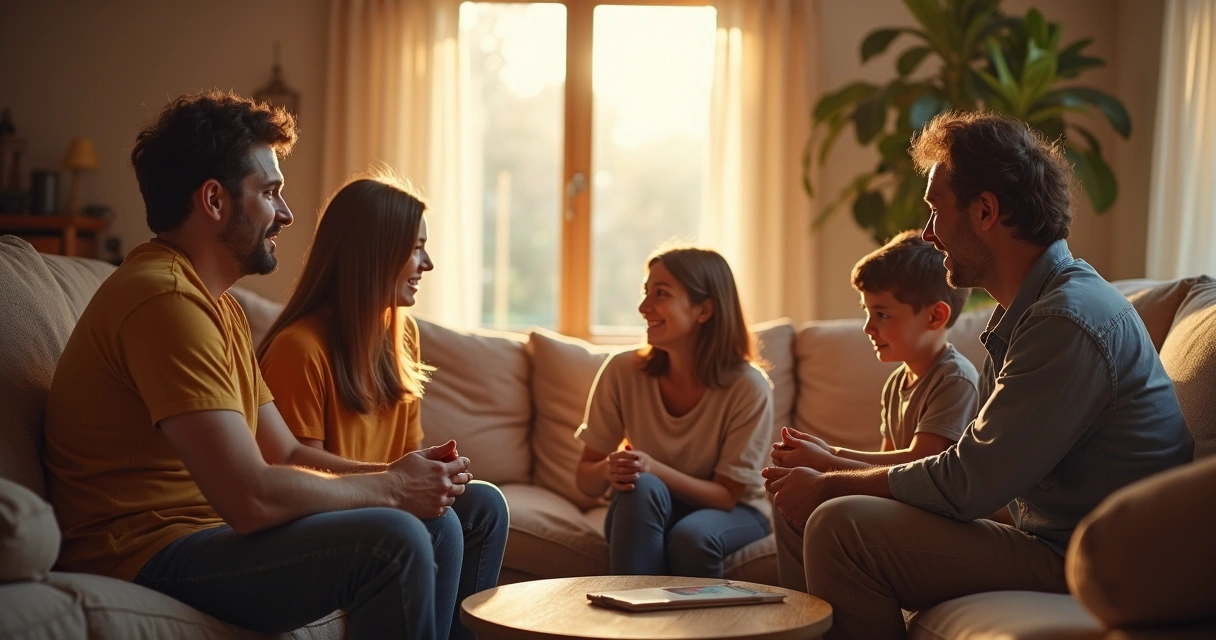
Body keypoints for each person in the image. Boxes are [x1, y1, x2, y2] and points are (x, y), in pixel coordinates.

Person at [42, 91, 474, 638]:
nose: (287, 214)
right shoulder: (164, 301)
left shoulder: (216, 305)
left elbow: (287, 453)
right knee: (399, 538)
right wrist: (391, 491)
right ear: (215, 201)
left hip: (204, 536)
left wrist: (403, 476)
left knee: (469, 508)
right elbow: (249, 497)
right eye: (270, 193)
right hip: (144, 552)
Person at [763, 111, 1193, 639]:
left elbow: (969, 481)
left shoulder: (1065, 320)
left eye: (936, 211)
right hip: (1056, 538)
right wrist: (832, 471)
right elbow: (982, 475)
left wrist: (830, 480)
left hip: (1092, 557)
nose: (928, 233)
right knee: (825, 511)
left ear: (986, 210)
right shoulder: (1032, 312)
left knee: (839, 525)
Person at [257, 174, 508, 640]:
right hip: (321, 515)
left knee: (486, 505)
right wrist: (396, 481)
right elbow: (294, 476)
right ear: (372, 255)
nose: (427, 264)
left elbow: (405, 455)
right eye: (415, 248)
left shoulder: (401, 337)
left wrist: (430, 473)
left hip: (376, 498)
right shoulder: (300, 348)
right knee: (442, 525)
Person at [770, 229, 979, 591]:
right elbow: (879, 472)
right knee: (789, 496)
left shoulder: (956, 378)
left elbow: (918, 463)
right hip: (905, 503)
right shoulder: (897, 383)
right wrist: (817, 461)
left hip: (941, 517)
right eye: (867, 312)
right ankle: (802, 614)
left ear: (935, 317)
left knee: (817, 496)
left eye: (882, 314)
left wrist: (829, 458)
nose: (868, 327)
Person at [574, 246, 774, 578]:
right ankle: (633, 623)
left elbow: (726, 497)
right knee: (641, 486)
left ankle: (698, 627)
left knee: (692, 537)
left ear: (704, 310)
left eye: (660, 293)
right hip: (648, 506)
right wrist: (610, 470)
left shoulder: (749, 387)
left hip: (734, 511)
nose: (643, 307)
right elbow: (585, 480)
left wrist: (653, 466)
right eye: (645, 292)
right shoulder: (622, 371)